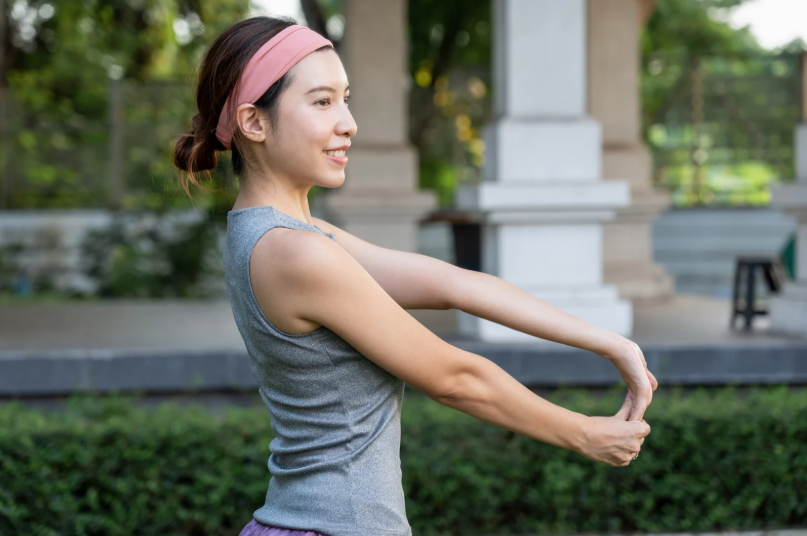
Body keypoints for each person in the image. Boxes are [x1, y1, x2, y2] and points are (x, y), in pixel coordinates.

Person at [172, 16, 657, 536]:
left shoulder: (280, 235)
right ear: (254, 122)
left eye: (345, 99)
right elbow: (454, 379)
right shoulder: (296, 253)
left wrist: (609, 342)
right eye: (322, 102)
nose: (348, 123)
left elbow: (453, 285)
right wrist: (585, 433)